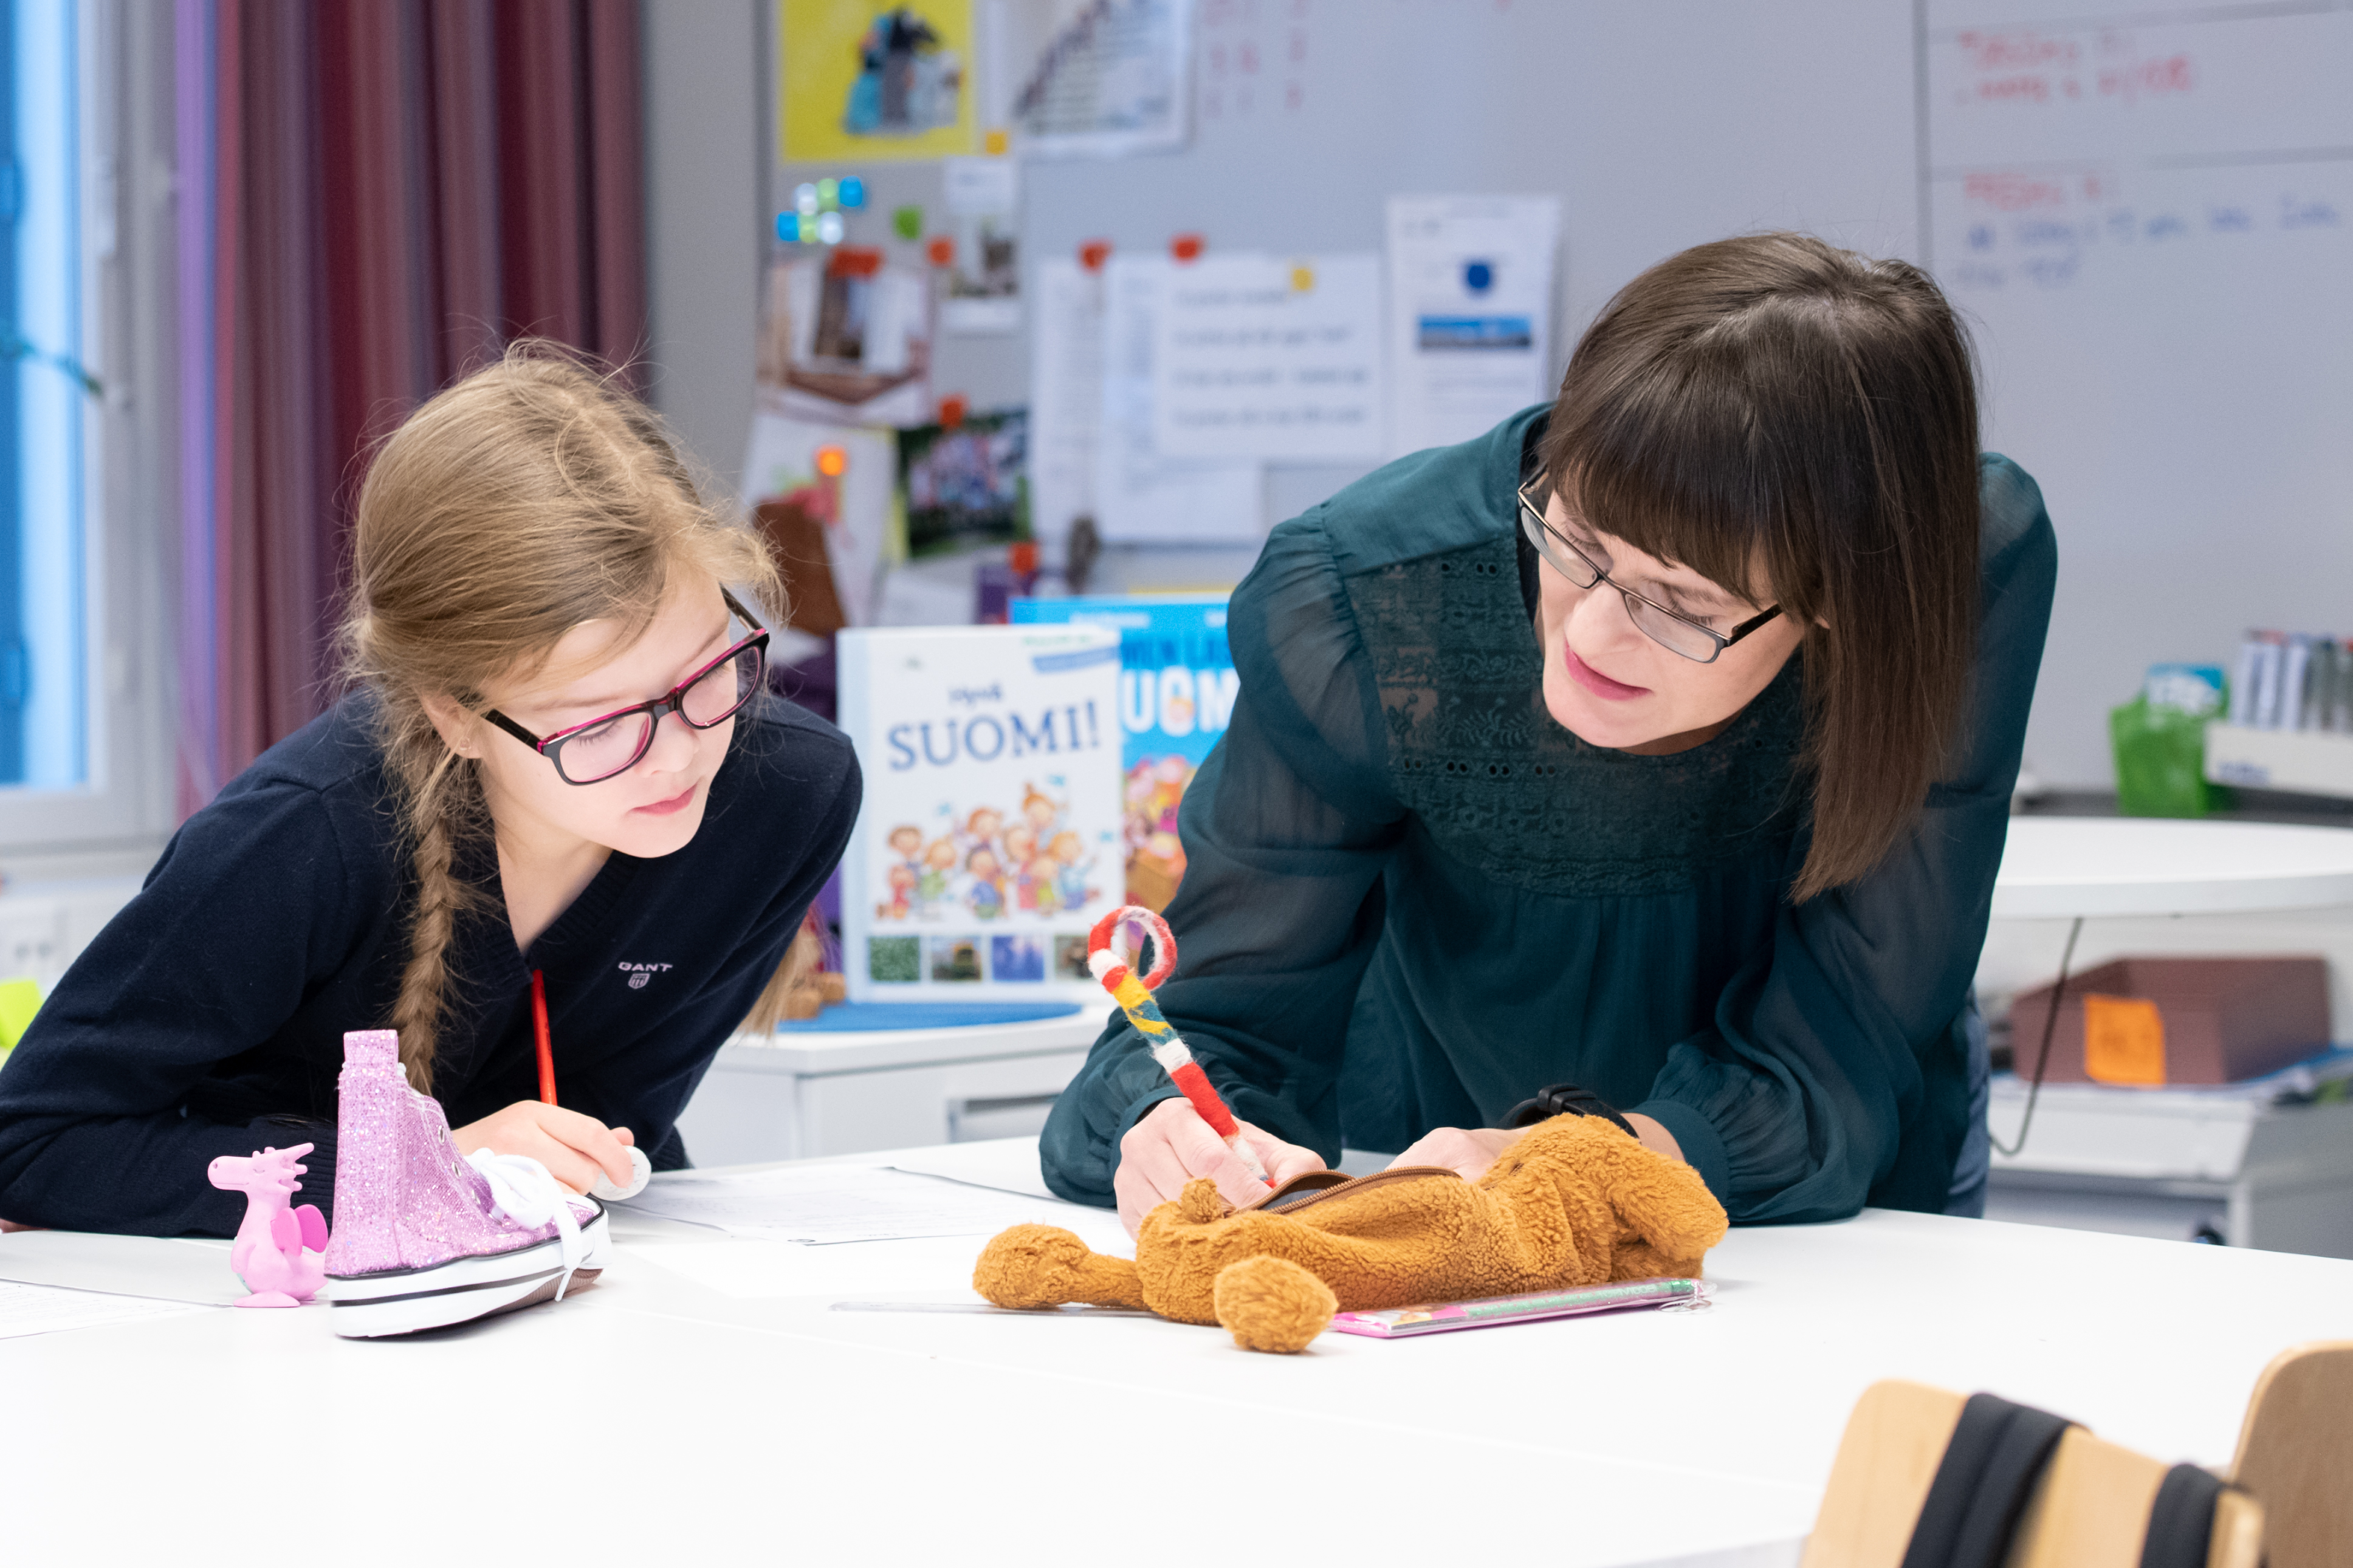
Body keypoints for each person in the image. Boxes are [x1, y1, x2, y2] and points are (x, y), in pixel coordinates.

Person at [1040, 234, 2057, 1238]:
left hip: (1818, 1212)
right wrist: (1169, 1125)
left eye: (1680, 602)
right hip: (1439, 1160)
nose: (1591, 634)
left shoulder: (1944, 572)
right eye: (1575, 539)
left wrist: (1584, 1162)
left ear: (1838, 600)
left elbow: (1844, 1041)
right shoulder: (1368, 593)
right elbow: (1223, 1011)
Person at [0, 347, 860, 1237]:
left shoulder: (789, 794)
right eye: (600, 726)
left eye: (708, 672)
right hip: (270, 1281)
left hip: (579, 1260)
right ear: (455, 715)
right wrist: (422, 1169)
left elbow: (607, 1131)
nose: (678, 757)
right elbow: (30, 1142)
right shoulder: (303, 835)